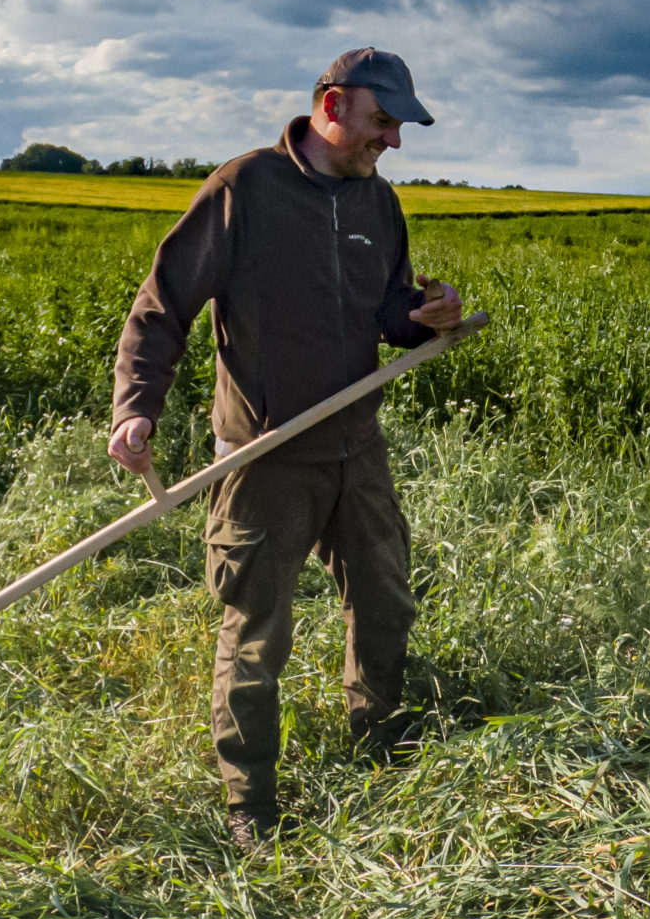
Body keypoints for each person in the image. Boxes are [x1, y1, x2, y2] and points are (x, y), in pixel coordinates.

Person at [108, 48, 465, 848]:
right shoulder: (245, 191)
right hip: (264, 456)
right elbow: (163, 305)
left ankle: (380, 749)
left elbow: (390, 315)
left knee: (384, 601)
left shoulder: (379, 203)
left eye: (400, 127)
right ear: (332, 107)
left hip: (355, 445)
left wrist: (428, 314)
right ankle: (252, 806)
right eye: (384, 122)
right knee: (257, 631)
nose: (394, 142)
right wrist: (137, 410)